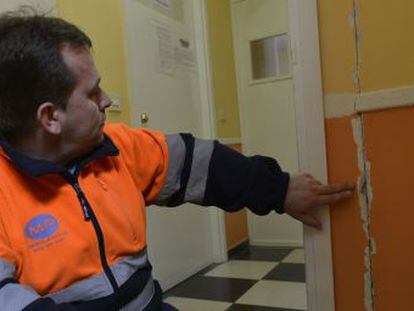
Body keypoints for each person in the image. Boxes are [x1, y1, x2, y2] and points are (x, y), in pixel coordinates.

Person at [0, 10, 354, 311]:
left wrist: (280, 189)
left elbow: (203, 164)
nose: (107, 100)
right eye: (92, 93)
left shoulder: (116, 147)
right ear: (50, 118)